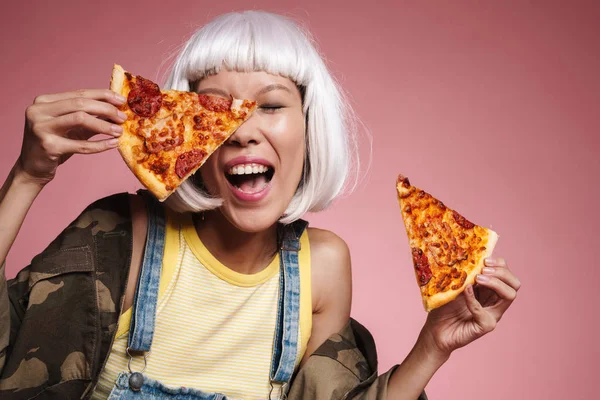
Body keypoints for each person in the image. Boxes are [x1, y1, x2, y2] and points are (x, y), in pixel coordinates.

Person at [0, 10, 520, 400]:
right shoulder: (121, 232)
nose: (242, 130)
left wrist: (434, 346)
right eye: (215, 108)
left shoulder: (324, 266)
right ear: (185, 125)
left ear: (308, 125)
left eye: (271, 105)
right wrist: (27, 176)